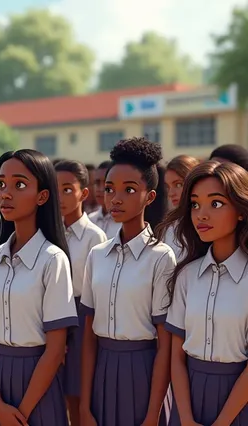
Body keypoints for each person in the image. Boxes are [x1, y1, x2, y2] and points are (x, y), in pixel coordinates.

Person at [0, 150, 76, 426]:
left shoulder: (53, 260)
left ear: (42, 196)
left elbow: (55, 350)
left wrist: (21, 411)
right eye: (2, 184)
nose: (6, 193)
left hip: (38, 386)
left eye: (19, 185)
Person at [80, 138, 175, 426]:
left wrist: (152, 414)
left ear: (149, 196)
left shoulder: (161, 257)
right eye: (110, 189)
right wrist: (84, 406)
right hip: (102, 369)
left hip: (143, 371)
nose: (116, 198)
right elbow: (87, 337)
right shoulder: (97, 255)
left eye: (129, 190)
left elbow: (165, 345)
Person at [163, 161, 248, 425]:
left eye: (216, 203)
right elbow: (176, 357)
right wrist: (186, 419)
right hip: (187, 399)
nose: (201, 214)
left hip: (239, 401)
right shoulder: (186, 276)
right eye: (195, 204)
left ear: (241, 210)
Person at [54, 160, 107, 426]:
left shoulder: (94, 237)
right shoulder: (48, 234)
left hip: (81, 318)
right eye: (55, 189)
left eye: (67, 189)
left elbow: (93, 293)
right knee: (55, 394)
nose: (60, 196)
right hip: (51, 318)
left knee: (77, 394)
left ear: (83, 193)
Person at [89, 160, 119, 239]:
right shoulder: (90, 220)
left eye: (107, 184)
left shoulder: (125, 222)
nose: (101, 189)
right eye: (97, 183)